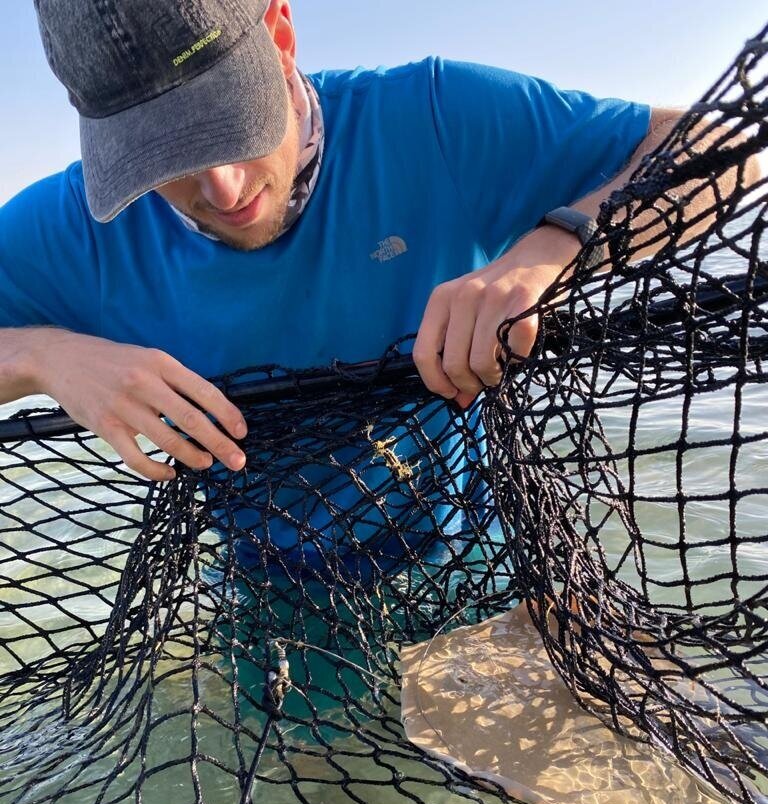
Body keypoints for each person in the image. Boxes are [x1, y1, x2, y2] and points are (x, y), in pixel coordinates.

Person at [0, 0, 682, 483]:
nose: (224, 188)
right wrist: (41, 356)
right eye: (166, 158)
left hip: (480, 567)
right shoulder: (75, 231)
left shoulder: (434, 118)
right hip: (267, 594)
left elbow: (729, 145)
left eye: (234, 123)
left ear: (280, 33)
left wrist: (555, 245)